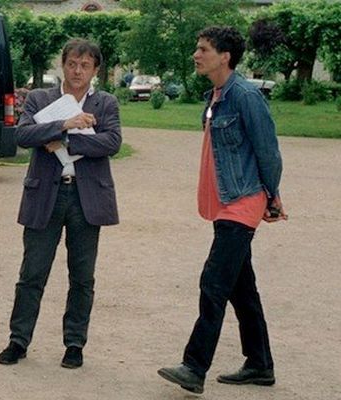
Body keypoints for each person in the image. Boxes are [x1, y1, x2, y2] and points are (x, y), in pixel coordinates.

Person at [157, 26, 287, 394]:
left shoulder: (245, 95)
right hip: (225, 204)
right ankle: (260, 364)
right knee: (241, 289)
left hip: (241, 202)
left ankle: (194, 367)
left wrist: (272, 196)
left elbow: (268, 151)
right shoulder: (216, 95)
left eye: (203, 49)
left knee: (213, 283)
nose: (196, 55)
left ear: (225, 55)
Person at [0, 38, 121, 369]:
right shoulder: (40, 98)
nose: (77, 70)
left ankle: (74, 343)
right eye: (72, 64)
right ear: (62, 65)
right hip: (45, 195)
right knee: (32, 272)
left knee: (82, 277)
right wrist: (66, 123)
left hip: (86, 197)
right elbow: (23, 135)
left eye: (85, 65)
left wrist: (64, 139)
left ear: (96, 70)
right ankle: (18, 339)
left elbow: (112, 142)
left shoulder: (106, 103)